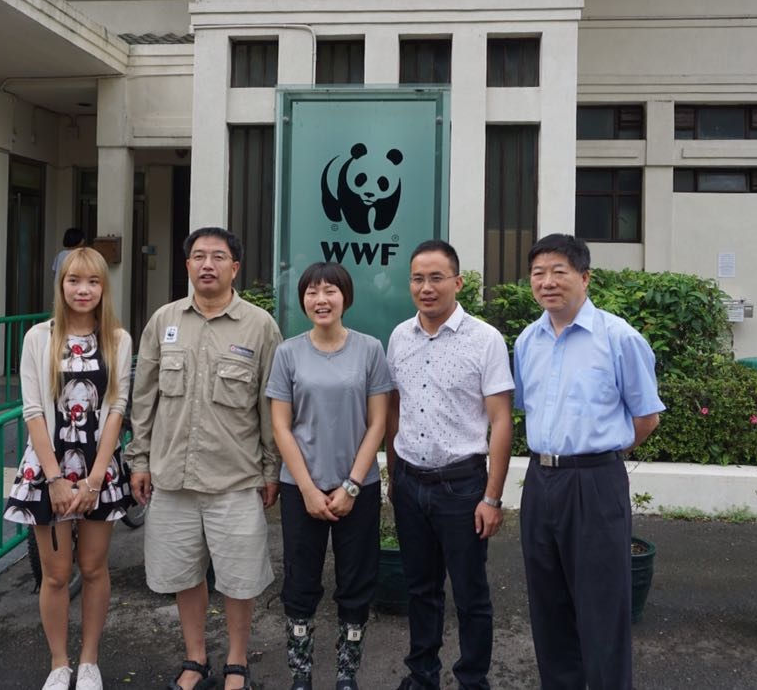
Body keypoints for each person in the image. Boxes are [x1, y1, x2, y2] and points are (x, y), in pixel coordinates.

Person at [129, 227, 283, 690]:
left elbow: (271, 405)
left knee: (239, 578)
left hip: (235, 478)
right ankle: (195, 658)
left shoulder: (260, 326)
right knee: (183, 573)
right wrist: (139, 460)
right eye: (198, 256)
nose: (207, 265)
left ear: (235, 268)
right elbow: (144, 397)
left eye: (218, 257)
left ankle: (237, 661)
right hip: (172, 477)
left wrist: (271, 468)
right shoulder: (164, 320)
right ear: (187, 266)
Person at [513, 233, 665, 690]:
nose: (547, 282)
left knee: (602, 607)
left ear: (585, 277)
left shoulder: (619, 338)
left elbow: (647, 418)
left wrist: (601, 456)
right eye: (538, 273)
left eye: (559, 271)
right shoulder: (528, 341)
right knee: (547, 604)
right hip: (540, 480)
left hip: (595, 482)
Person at [385, 240, 514, 690]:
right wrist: (393, 474)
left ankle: (472, 679)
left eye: (436, 278)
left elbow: (501, 421)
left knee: (470, 593)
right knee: (420, 589)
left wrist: (492, 497)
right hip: (409, 482)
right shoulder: (400, 336)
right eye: (418, 278)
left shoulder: (485, 339)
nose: (426, 287)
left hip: (462, 486)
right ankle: (422, 675)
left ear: (457, 282)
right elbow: (394, 408)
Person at [4, 247, 135, 690]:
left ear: (103, 287)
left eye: (93, 281)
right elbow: (32, 410)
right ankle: (59, 664)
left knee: (94, 568)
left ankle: (89, 661)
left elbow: (117, 408)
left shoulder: (118, 338)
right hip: (48, 468)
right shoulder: (38, 337)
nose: (83, 290)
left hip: (100, 468)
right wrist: (55, 478)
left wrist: (96, 478)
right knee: (56, 574)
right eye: (74, 281)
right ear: (60, 286)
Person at [267, 262, 392, 690]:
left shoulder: (370, 349)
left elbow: (378, 422)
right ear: (303, 299)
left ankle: (346, 673)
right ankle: (301, 673)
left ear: (345, 298)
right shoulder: (288, 353)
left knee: (356, 583)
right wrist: (306, 488)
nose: (321, 299)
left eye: (330, 291)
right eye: (312, 292)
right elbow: (281, 425)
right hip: (301, 487)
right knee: (300, 582)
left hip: (358, 488)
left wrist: (352, 485)